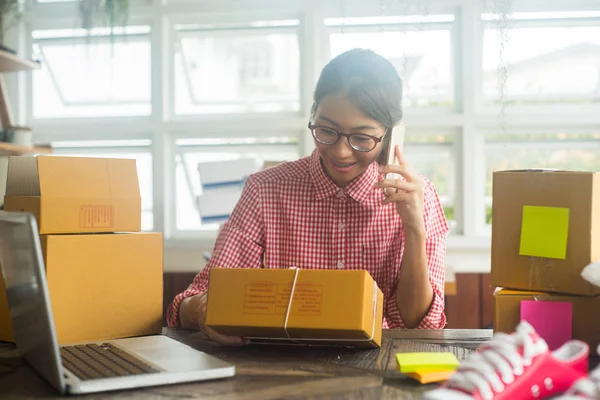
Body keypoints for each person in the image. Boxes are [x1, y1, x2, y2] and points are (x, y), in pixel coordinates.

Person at [167, 48, 449, 345]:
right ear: (313, 116)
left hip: (375, 366)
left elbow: (418, 324)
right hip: (274, 364)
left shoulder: (417, 196)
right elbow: (190, 303)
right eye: (326, 130)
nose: (341, 152)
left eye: (362, 138)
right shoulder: (265, 191)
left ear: (391, 136)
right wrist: (202, 310)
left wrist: (415, 230)